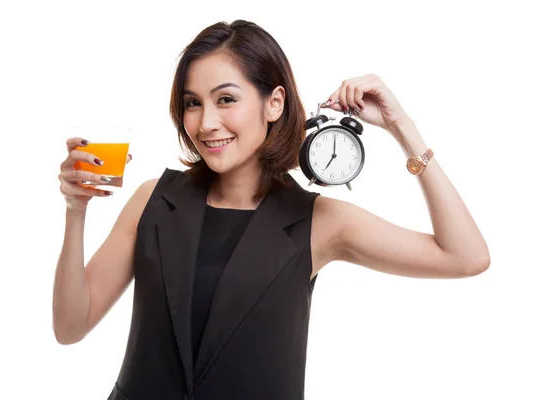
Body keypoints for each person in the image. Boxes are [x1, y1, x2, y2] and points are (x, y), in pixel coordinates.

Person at [53, 19, 490, 400]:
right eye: (192, 103)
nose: (206, 123)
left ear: (274, 103)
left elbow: (466, 257)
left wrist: (403, 128)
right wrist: (76, 210)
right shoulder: (154, 199)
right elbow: (70, 328)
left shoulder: (320, 223)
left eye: (226, 99)